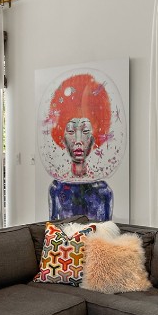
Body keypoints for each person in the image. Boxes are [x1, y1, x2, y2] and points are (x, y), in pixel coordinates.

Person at [45, 74, 113, 220]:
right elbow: (53, 227)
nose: (78, 141)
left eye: (86, 131)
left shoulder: (103, 191)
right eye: (70, 131)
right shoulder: (56, 189)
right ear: (62, 138)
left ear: (94, 139)